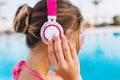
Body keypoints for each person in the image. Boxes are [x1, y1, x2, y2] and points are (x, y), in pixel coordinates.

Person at [12, 0, 84, 80]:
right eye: (78, 35)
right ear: (52, 33)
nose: (80, 46)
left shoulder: (23, 69)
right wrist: (74, 78)